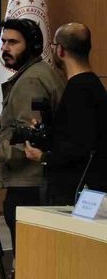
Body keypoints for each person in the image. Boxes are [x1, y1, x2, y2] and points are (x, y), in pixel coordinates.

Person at [0, 18, 64, 257]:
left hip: (29, 184)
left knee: (28, 257)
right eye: (3, 42)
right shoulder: (37, 72)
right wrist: (5, 121)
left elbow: (34, 140)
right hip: (36, 182)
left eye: (13, 42)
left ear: (32, 46)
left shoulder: (30, 80)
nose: (5, 48)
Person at [24, 23, 107, 205]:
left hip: (73, 192)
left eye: (53, 46)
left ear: (60, 50)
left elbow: (81, 144)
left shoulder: (78, 90)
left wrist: (43, 157)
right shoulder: (92, 85)